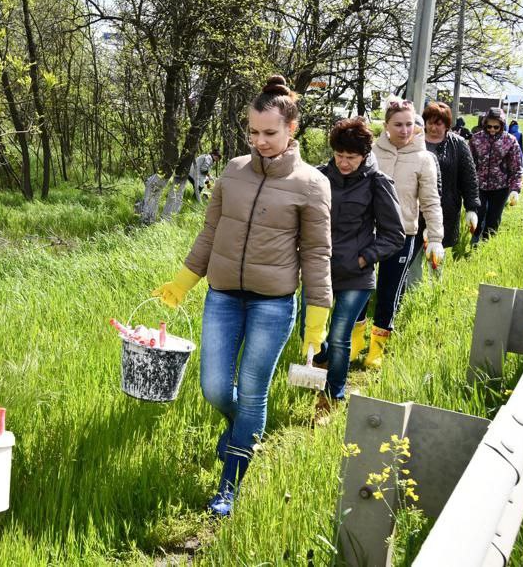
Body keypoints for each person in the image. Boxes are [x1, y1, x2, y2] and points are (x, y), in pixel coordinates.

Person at [152, 75, 332, 517]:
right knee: (215, 388)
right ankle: (241, 431)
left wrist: (315, 326)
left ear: (292, 128)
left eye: (269, 132)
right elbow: (210, 233)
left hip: (274, 305)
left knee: (253, 393)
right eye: (253, 132)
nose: (260, 141)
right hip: (223, 297)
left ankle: (229, 483)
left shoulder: (312, 184)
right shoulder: (232, 171)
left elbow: (317, 256)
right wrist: (181, 283)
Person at [308, 118, 404, 412]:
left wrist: (364, 257)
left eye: (351, 157)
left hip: (356, 275)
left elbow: (395, 235)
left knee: (340, 336)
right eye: (339, 156)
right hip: (319, 271)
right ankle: (322, 361)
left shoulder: (378, 183)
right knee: (310, 334)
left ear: (364, 155)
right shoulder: (319, 177)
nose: (344, 163)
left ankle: (333, 397)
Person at [353, 99, 443, 369]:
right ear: (387, 125)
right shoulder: (371, 153)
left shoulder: (424, 159)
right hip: (368, 232)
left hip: (403, 234)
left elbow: (430, 200)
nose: (405, 130)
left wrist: (436, 238)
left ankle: (377, 348)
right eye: (398, 125)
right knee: (360, 289)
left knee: (389, 290)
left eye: (409, 124)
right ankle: (355, 341)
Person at [420, 102, 481, 248]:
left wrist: (471, 208)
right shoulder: (415, 140)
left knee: (436, 251)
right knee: (415, 252)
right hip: (417, 207)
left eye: (438, 124)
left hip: (446, 207)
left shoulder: (458, 144)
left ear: (447, 125)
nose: (433, 128)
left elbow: (469, 178)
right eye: (430, 123)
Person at [470, 108, 523, 244]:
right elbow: (469, 164)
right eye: (489, 126)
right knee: (478, 215)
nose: (492, 129)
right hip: (479, 186)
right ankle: (474, 243)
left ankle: (487, 245)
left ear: (502, 125)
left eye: (496, 127)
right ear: (484, 124)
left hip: (500, 187)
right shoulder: (476, 139)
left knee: (493, 219)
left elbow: (516, 168)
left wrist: (515, 189)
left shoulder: (510, 141)